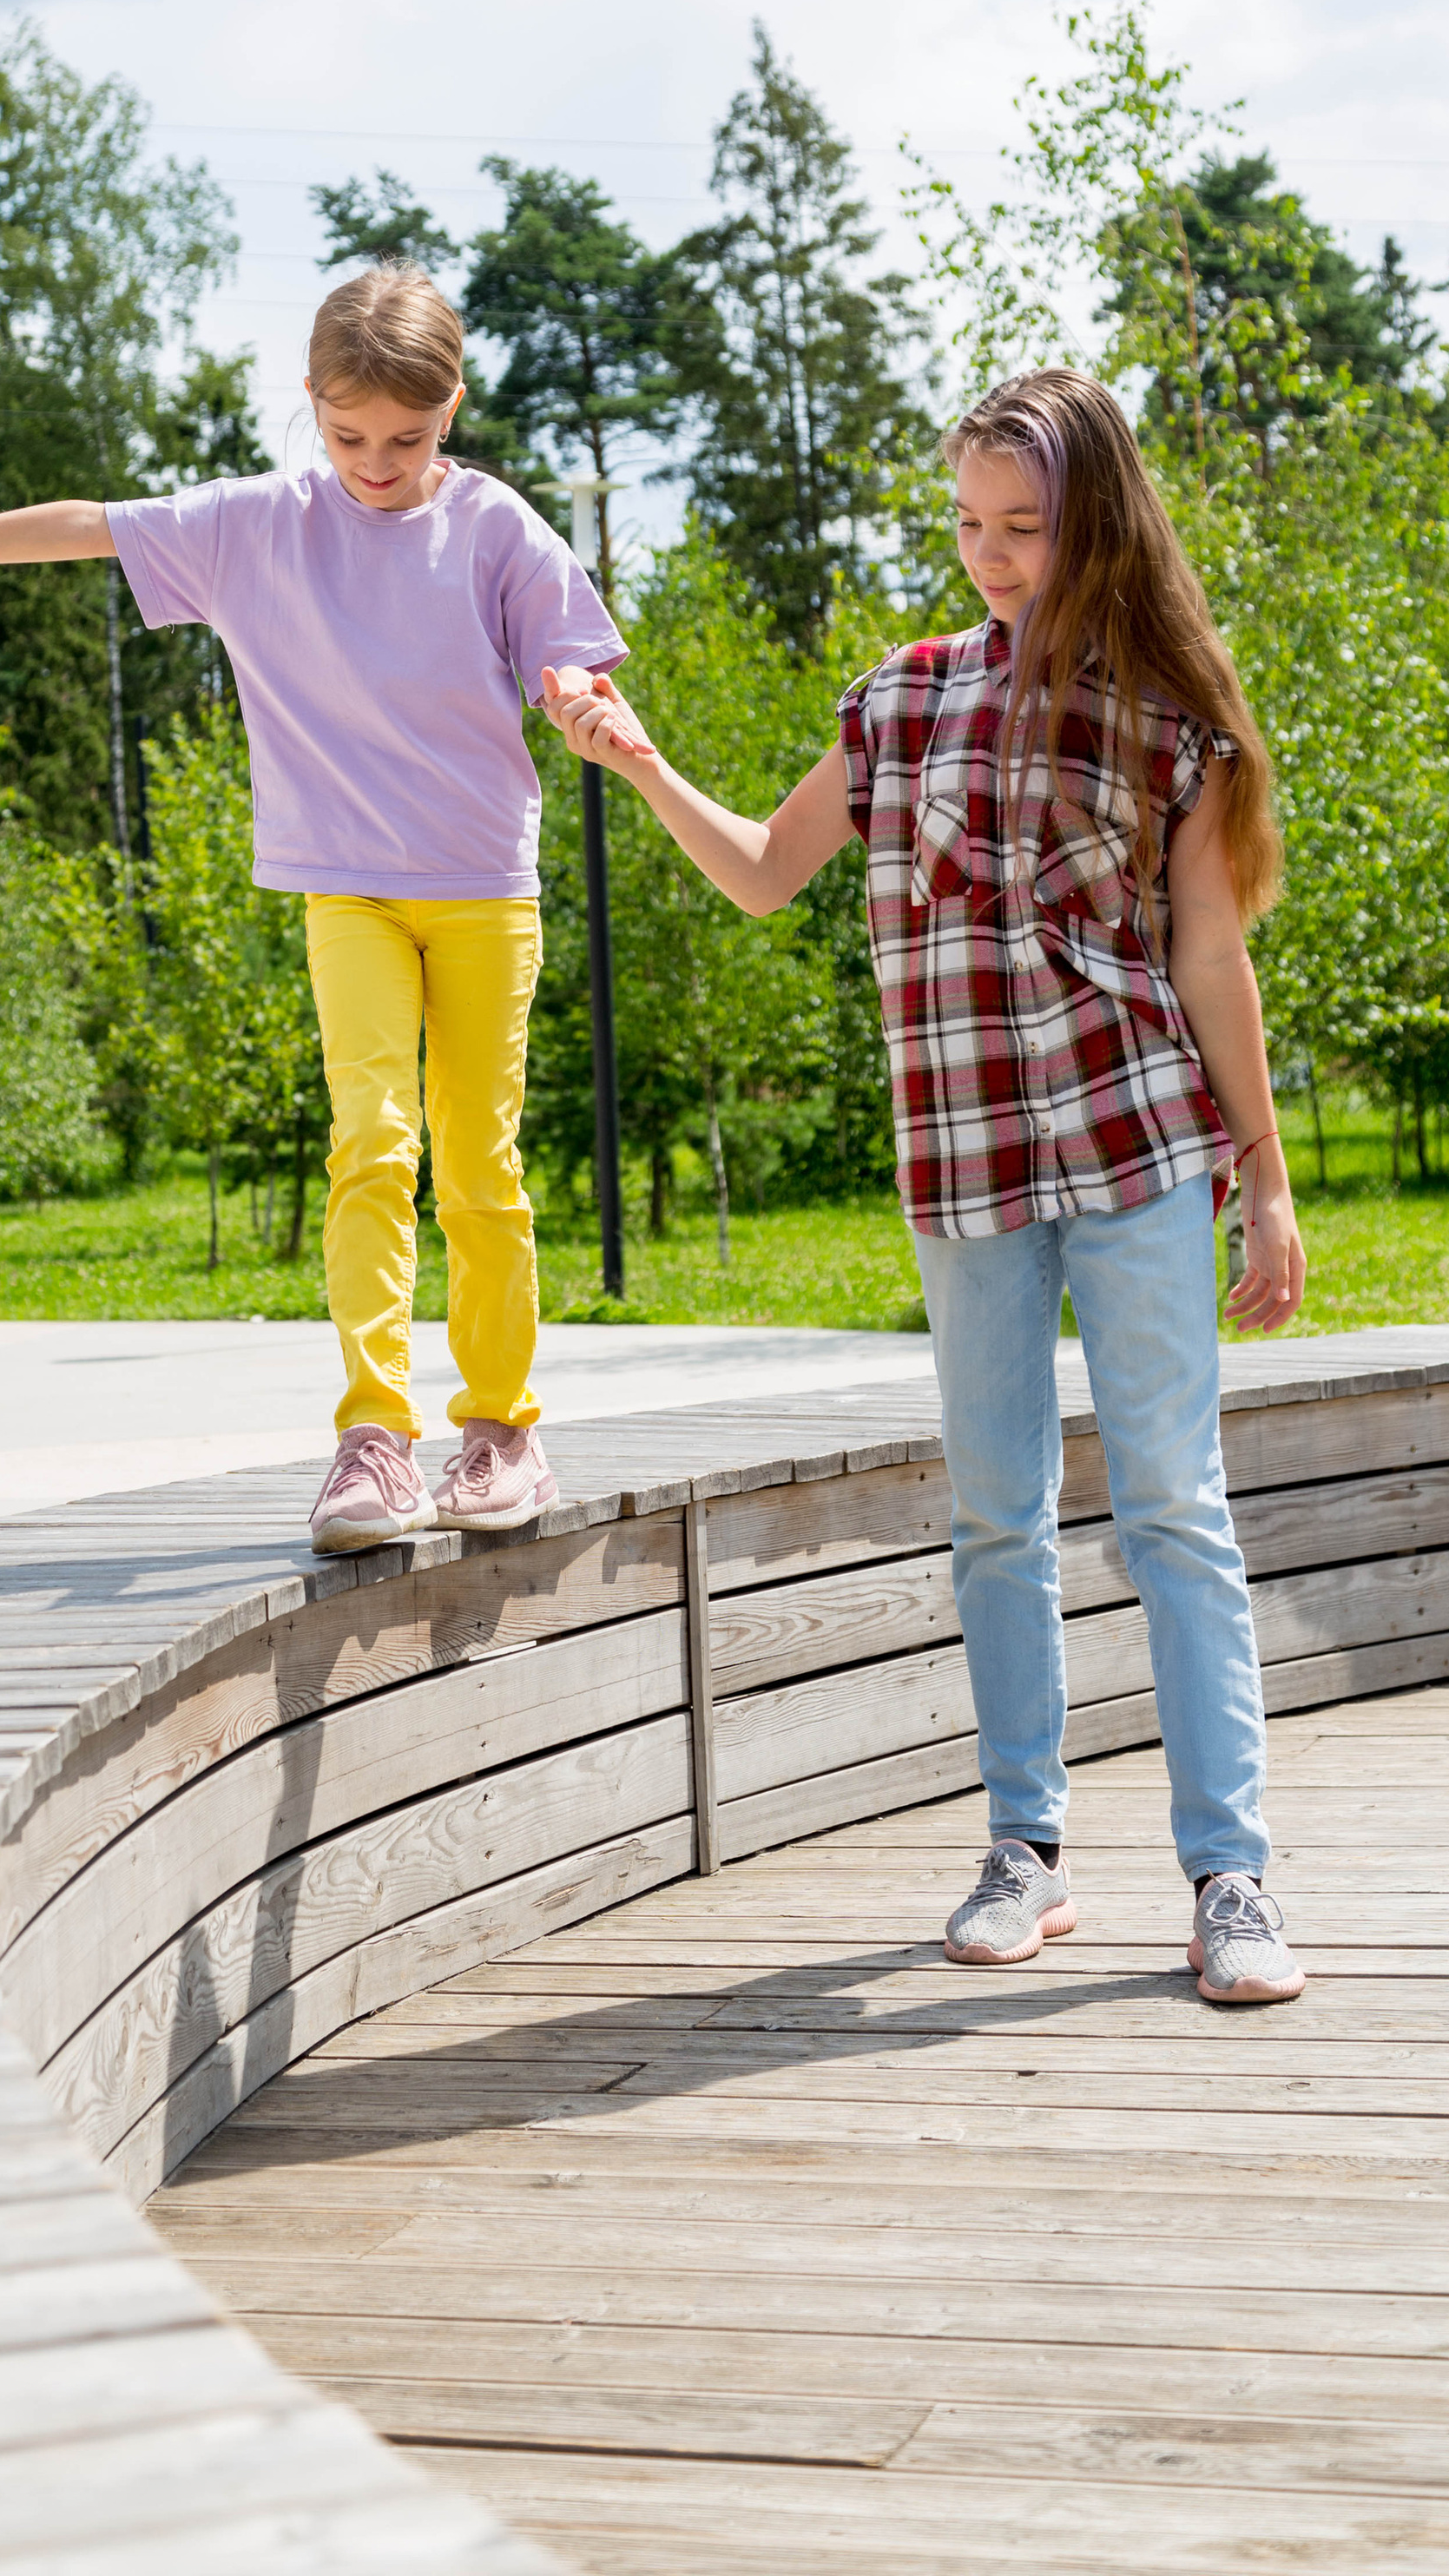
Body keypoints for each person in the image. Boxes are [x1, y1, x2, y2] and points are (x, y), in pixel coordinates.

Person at [543, 368, 1308, 2009]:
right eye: (970, 524)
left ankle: (1229, 1878)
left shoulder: (1170, 724)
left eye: (1024, 528)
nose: (992, 557)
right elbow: (760, 874)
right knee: (993, 1516)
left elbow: (1209, 958)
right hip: (965, 1164)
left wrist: (1268, 1177)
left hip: (1140, 1144)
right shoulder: (898, 702)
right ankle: (1024, 1851)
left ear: (1095, 523)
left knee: (1177, 1508)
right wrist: (638, 758)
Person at [0, 267, 623, 1560]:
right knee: (370, 1137)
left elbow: (566, 661)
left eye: (408, 438)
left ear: (452, 406)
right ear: (311, 406)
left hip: (479, 888)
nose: (379, 464)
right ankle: (376, 1438)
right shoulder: (257, 524)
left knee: (478, 1161)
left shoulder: (499, 527)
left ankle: (503, 1430)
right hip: (344, 883)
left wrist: (576, 705)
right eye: (349, 438)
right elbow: (84, 522)